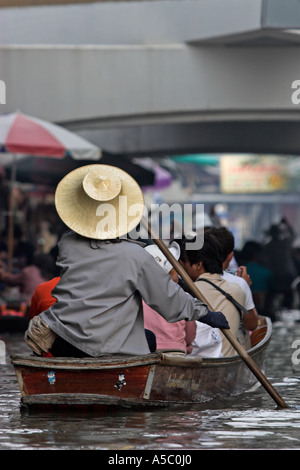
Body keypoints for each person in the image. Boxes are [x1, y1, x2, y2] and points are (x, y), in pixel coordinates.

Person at [25, 164, 229, 358]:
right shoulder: (136, 257)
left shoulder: (67, 244)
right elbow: (168, 299)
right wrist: (205, 314)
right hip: (107, 347)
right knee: (148, 339)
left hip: (63, 339)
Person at [179, 232, 253, 357]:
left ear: (198, 265)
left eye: (185, 262)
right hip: (228, 360)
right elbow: (252, 324)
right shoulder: (238, 289)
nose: (183, 266)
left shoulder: (184, 293)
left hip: (197, 360)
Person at [143, 241, 196, 354]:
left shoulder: (139, 300)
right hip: (176, 353)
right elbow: (190, 336)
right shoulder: (184, 298)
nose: (178, 274)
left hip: (147, 354)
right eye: (174, 271)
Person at [208, 226, 259, 328]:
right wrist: (244, 288)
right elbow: (252, 325)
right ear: (231, 256)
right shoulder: (239, 283)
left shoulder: (192, 279)